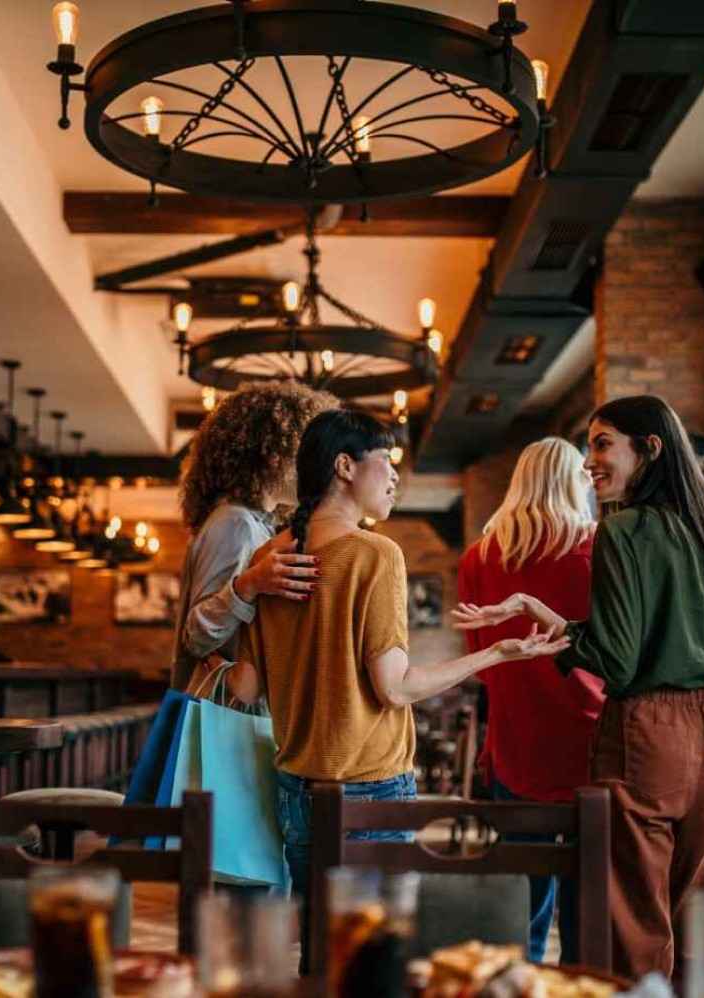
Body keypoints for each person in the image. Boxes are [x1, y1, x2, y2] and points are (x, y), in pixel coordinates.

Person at [454, 395, 704, 981]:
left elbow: (616, 663)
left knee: (635, 925)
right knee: (699, 916)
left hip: (644, 737)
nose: (589, 462)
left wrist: (560, 636)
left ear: (648, 450)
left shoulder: (620, 532)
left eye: (603, 444)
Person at [235, 408, 566, 960]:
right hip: (371, 790)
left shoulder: (270, 557)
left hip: (295, 787)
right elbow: (397, 688)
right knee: (374, 963)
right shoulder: (376, 553)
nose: (394, 477)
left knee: (319, 955)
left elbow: (245, 687)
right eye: (385, 462)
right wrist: (496, 652)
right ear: (344, 466)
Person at [456, 437, 601, 965]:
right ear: (573, 482)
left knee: (521, 905)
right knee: (591, 903)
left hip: (514, 746)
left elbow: (481, 660)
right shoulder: (595, 547)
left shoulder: (479, 557)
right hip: (591, 745)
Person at [171, 381, 337, 692]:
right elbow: (197, 636)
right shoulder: (236, 523)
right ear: (276, 455)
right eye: (308, 455)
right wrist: (250, 584)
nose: (317, 470)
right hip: (223, 718)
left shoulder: (252, 523)